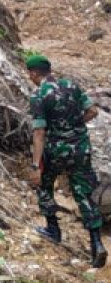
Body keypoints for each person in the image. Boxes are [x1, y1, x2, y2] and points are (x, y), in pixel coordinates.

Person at [26, 53, 106, 268]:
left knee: (43, 184)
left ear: (34, 73)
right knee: (84, 192)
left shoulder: (39, 95)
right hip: (80, 149)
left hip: (55, 151)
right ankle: (96, 243)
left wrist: (36, 164)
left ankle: (53, 229)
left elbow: (40, 131)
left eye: (30, 74)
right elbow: (92, 111)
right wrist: (73, 125)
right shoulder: (72, 85)